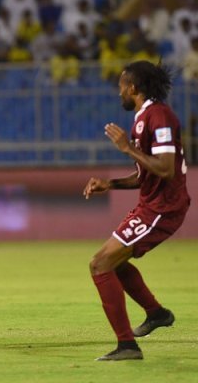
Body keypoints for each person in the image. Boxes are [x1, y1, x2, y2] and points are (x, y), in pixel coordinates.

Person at [83, 60, 190, 361]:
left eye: (121, 87)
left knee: (99, 264)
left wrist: (127, 148)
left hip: (163, 208)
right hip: (151, 205)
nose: (119, 93)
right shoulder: (146, 117)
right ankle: (156, 313)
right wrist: (110, 184)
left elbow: (167, 169)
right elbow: (148, 174)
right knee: (111, 263)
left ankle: (127, 346)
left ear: (133, 88)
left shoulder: (159, 116)